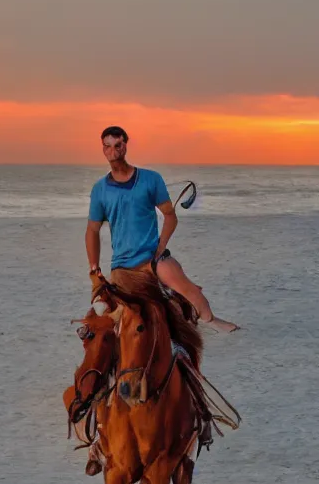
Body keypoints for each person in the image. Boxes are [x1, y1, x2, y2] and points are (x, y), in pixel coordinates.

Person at [85, 127, 238, 332]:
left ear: (125, 146)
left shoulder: (151, 179)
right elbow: (92, 230)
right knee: (114, 317)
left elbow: (169, 216)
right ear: (103, 149)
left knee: (195, 298)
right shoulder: (100, 189)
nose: (113, 151)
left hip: (153, 259)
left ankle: (210, 321)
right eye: (107, 146)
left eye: (118, 145)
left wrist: (160, 247)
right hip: (122, 266)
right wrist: (94, 268)